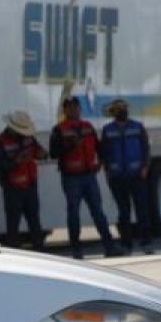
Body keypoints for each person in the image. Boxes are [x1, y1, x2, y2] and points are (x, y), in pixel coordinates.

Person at [50, 97, 124, 260]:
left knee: (98, 211)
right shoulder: (59, 130)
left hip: (89, 175)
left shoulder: (88, 127)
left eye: (76, 107)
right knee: (73, 213)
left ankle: (109, 246)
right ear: (65, 111)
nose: (73, 110)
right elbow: (53, 152)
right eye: (70, 108)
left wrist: (101, 162)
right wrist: (70, 146)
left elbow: (99, 147)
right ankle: (76, 250)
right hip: (71, 177)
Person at [101, 99, 155, 255]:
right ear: (114, 112)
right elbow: (104, 153)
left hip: (137, 175)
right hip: (118, 177)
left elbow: (146, 149)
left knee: (142, 211)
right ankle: (127, 244)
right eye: (119, 109)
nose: (123, 111)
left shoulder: (137, 127)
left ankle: (146, 242)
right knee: (124, 213)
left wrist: (145, 167)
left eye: (124, 108)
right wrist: (108, 171)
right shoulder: (108, 130)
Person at [0, 110, 48, 251]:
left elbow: (41, 152)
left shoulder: (29, 139)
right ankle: (14, 255)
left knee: (35, 223)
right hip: (12, 189)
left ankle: (40, 252)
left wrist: (42, 154)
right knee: (13, 225)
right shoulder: (0, 141)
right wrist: (15, 161)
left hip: (30, 186)